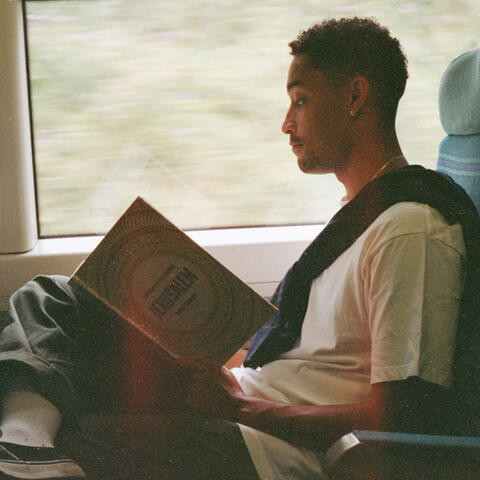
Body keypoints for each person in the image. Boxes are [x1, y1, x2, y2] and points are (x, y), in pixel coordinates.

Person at [0, 17, 476, 480]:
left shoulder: (410, 229)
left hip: (274, 449)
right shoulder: (360, 215)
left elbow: (403, 414)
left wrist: (242, 407)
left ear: (355, 96)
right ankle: (26, 445)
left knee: (83, 431)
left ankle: (32, 453)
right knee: (55, 297)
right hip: (246, 400)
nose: (286, 123)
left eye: (301, 100)